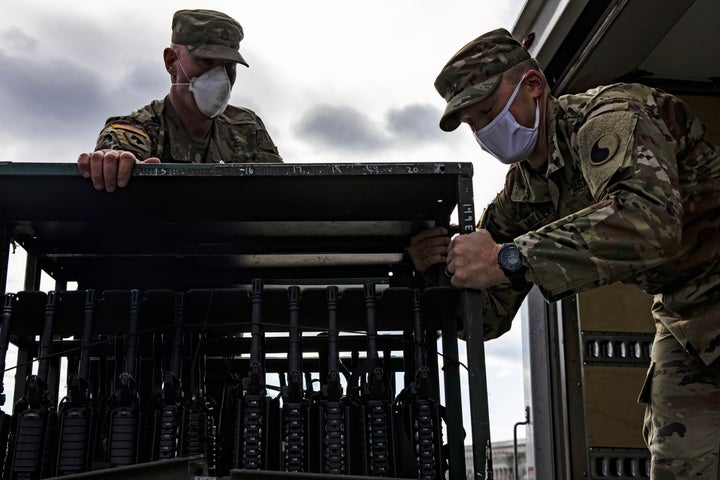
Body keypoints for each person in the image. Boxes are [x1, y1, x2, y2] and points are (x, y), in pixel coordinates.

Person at [409, 28, 720, 478]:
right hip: (683, 315)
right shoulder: (521, 194)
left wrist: (506, 258)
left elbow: (649, 224)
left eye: (489, 111)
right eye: (474, 124)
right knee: (679, 465)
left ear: (534, 85)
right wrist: (443, 268)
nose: (485, 131)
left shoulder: (611, 115)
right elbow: (487, 319)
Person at [77, 9, 282, 192]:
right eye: (206, 61)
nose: (220, 77)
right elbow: (118, 155)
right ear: (171, 62)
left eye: (229, 66)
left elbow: (279, 192)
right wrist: (114, 160)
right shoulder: (139, 128)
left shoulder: (246, 126)